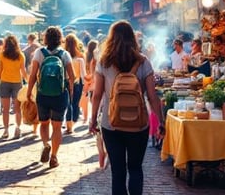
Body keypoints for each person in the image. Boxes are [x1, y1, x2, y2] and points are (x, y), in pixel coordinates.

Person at [89, 20, 164, 195]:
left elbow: (97, 95)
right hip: (139, 124)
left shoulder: (104, 62)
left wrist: (93, 119)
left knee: (118, 172)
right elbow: (153, 97)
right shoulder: (144, 62)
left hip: (111, 123)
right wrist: (161, 121)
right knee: (136, 168)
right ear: (133, 38)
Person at [26, 26, 75, 169]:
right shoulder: (65, 54)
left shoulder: (39, 53)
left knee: (44, 123)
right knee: (57, 127)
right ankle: (54, 156)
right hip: (60, 95)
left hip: (43, 94)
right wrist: (69, 91)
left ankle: (46, 144)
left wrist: (29, 92)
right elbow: (72, 77)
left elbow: (33, 75)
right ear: (60, 38)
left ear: (46, 38)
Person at [84, 40, 108, 169]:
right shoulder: (136, 61)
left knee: (100, 136)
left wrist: (92, 119)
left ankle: (101, 161)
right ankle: (108, 157)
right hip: (118, 108)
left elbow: (97, 95)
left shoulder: (101, 63)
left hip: (103, 105)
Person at [0, 34, 26, 139]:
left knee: (5, 109)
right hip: (17, 83)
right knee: (17, 108)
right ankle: (18, 128)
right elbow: (23, 71)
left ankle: (5, 130)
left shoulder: (2, 55)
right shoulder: (20, 55)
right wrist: (28, 81)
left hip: (5, 82)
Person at [63, 34, 86, 134]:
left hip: (66, 82)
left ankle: (69, 126)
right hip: (77, 83)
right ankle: (72, 123)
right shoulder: (81, 56)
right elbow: (83, 74)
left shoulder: (63, 55)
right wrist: (85, 85)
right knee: (75, 104)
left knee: (68, 104)